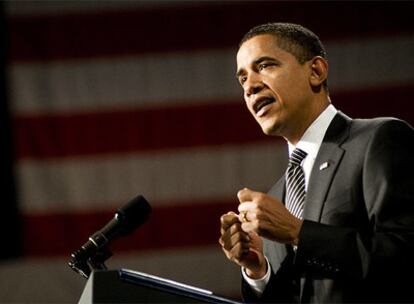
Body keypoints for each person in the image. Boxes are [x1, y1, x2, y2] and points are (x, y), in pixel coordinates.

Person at [219, 22, 414, 303]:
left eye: (264, 66)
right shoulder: (276, 199)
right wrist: (258, 271)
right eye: (242, 79)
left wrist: (297, 232)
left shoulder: (378, 140)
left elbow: (404, 255)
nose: (250, 86)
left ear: (316, 72)